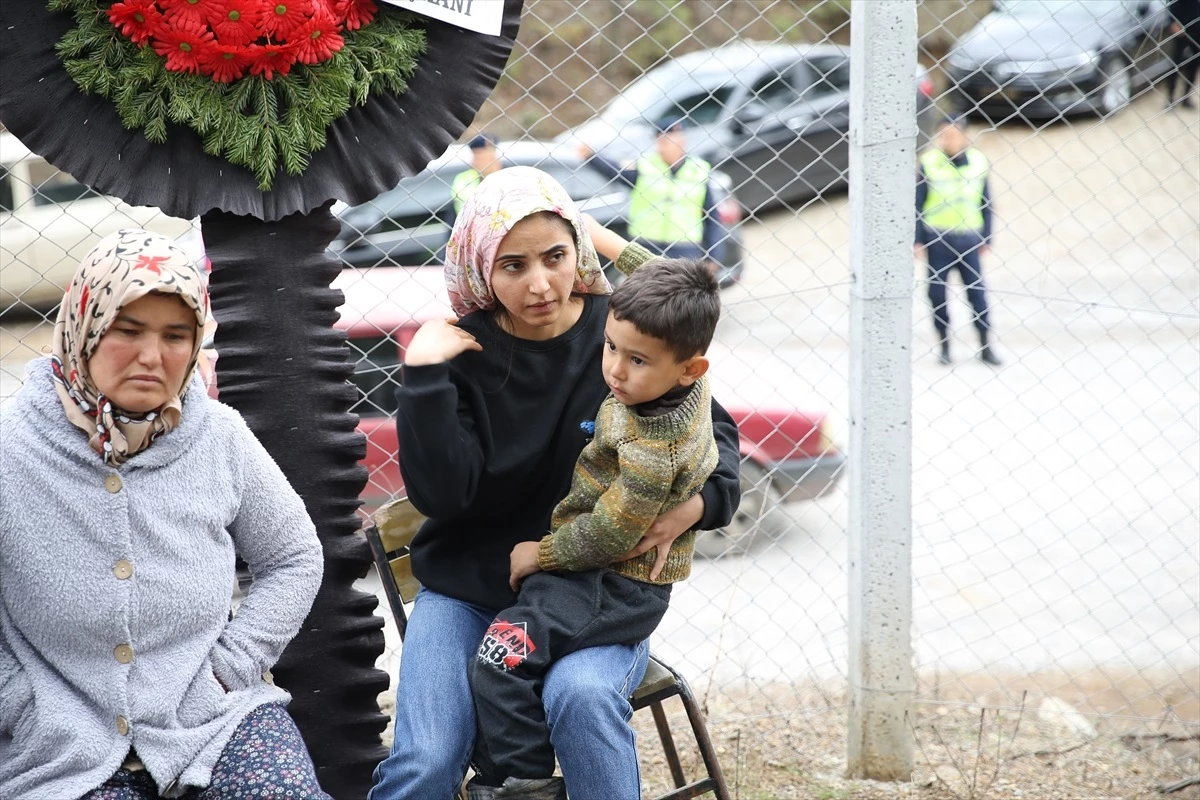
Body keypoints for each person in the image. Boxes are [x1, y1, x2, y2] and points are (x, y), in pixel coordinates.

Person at [368, 166, 742, 800]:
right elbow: (441, 497)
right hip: (471, 590)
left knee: (583, 697)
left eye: (555, 257)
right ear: (479, 267)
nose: (540, 284)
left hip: (588, 591)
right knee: (427, 759)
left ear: (580, 249)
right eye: (512, 266)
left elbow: (715, 434)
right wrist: (424, 376)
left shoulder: (622, 337)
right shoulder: (462, 353)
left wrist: (699, 505)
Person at [0, 229, 327, 799]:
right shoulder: (11, 447)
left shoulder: (218, 436)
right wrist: (20, 706)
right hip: (58, 743)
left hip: (212, 720)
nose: (154, 357)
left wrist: (233, 667)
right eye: (128, 330)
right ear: (85, 329)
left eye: (177, 336)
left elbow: (294, 556)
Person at [468, 257, 722, 800]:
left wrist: (542, 554)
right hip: (593, 577)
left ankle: (523, 784)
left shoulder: (654, 447)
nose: (615, 371)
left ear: (689, 369)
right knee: (509, 656)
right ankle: (507, 777)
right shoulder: (680, 374)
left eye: (636, 360)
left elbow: (611, 534)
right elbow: (657, 278)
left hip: (608, 583)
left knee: (500, 656)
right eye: (610, 348)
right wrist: (597, 240)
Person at [579, 116, 724, 270]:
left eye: (669, 141)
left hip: (686, 248)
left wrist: (713, 255)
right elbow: (615, 172)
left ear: (682, 142)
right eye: (661, 142)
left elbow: (711, 216)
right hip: (646, 245)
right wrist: (591, 156)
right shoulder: (645, 165)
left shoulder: (699, 170)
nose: (664, 147)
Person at [915, 114, 1001, 367]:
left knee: (977, 294)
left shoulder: (978, 162)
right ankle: (944, 346)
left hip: (968, 238)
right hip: (938, 238)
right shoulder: (929, 163)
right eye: (943, 135)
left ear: (964, 135)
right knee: (937, 293)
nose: (948, 140)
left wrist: (987, 236)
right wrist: (917, 240)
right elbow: (917, 203)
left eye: (952, 134)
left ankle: (986, 345)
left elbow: (986, 202)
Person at [452, 132, 504, 214]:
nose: (473, 163)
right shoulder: (465, 179)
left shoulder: (512, 177)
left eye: (478, 158)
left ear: (493, 155)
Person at [1166, 0, 1200, 109]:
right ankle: (1170, 98)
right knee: (1176, 63)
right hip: (1181, 24)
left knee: (1194, 64)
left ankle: (1186, 97)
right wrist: (1172, 21)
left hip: (1197, 25)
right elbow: (1170, 2)